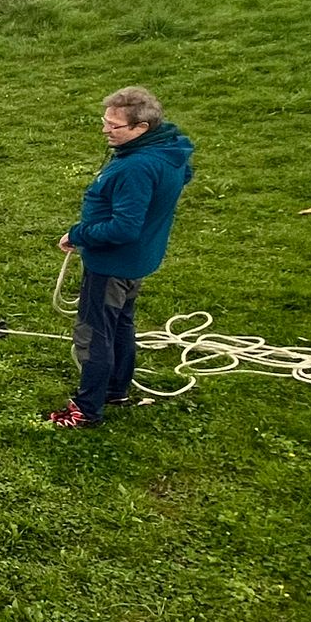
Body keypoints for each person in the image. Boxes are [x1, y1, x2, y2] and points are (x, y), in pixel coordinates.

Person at [46, 86, 194, 429]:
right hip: (137, 259)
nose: (105, 130)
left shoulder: (136, 168)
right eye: (105, 121)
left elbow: (124, 227)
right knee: (121, 324)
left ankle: (86, 411)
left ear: (141, 128)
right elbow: (182, 176)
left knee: (94, 333)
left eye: (114, 126)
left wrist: (78, 235)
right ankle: (116, 390)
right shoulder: (168, 150)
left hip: (113, 263)